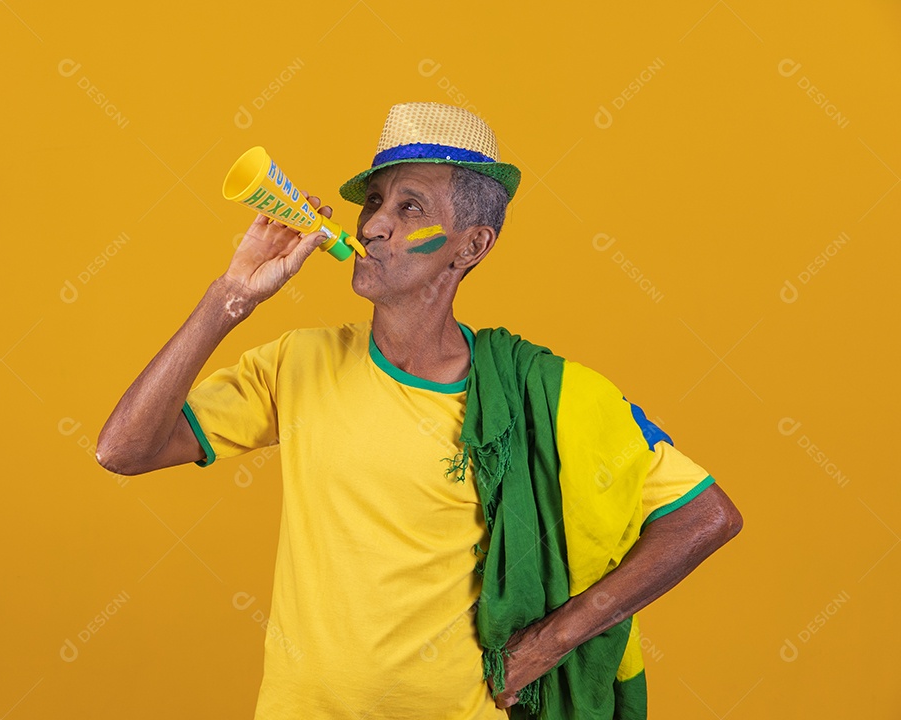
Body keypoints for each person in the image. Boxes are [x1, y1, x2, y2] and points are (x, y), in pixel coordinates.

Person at [96, 101, 743, 719]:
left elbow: (704, 517)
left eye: (411, 208)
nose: (373, 224)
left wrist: (547, 644)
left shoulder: (538, 392)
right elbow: (123, 449)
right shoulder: (297, 365)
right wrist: (230, 296)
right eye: (374, 203)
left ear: (470, 246)